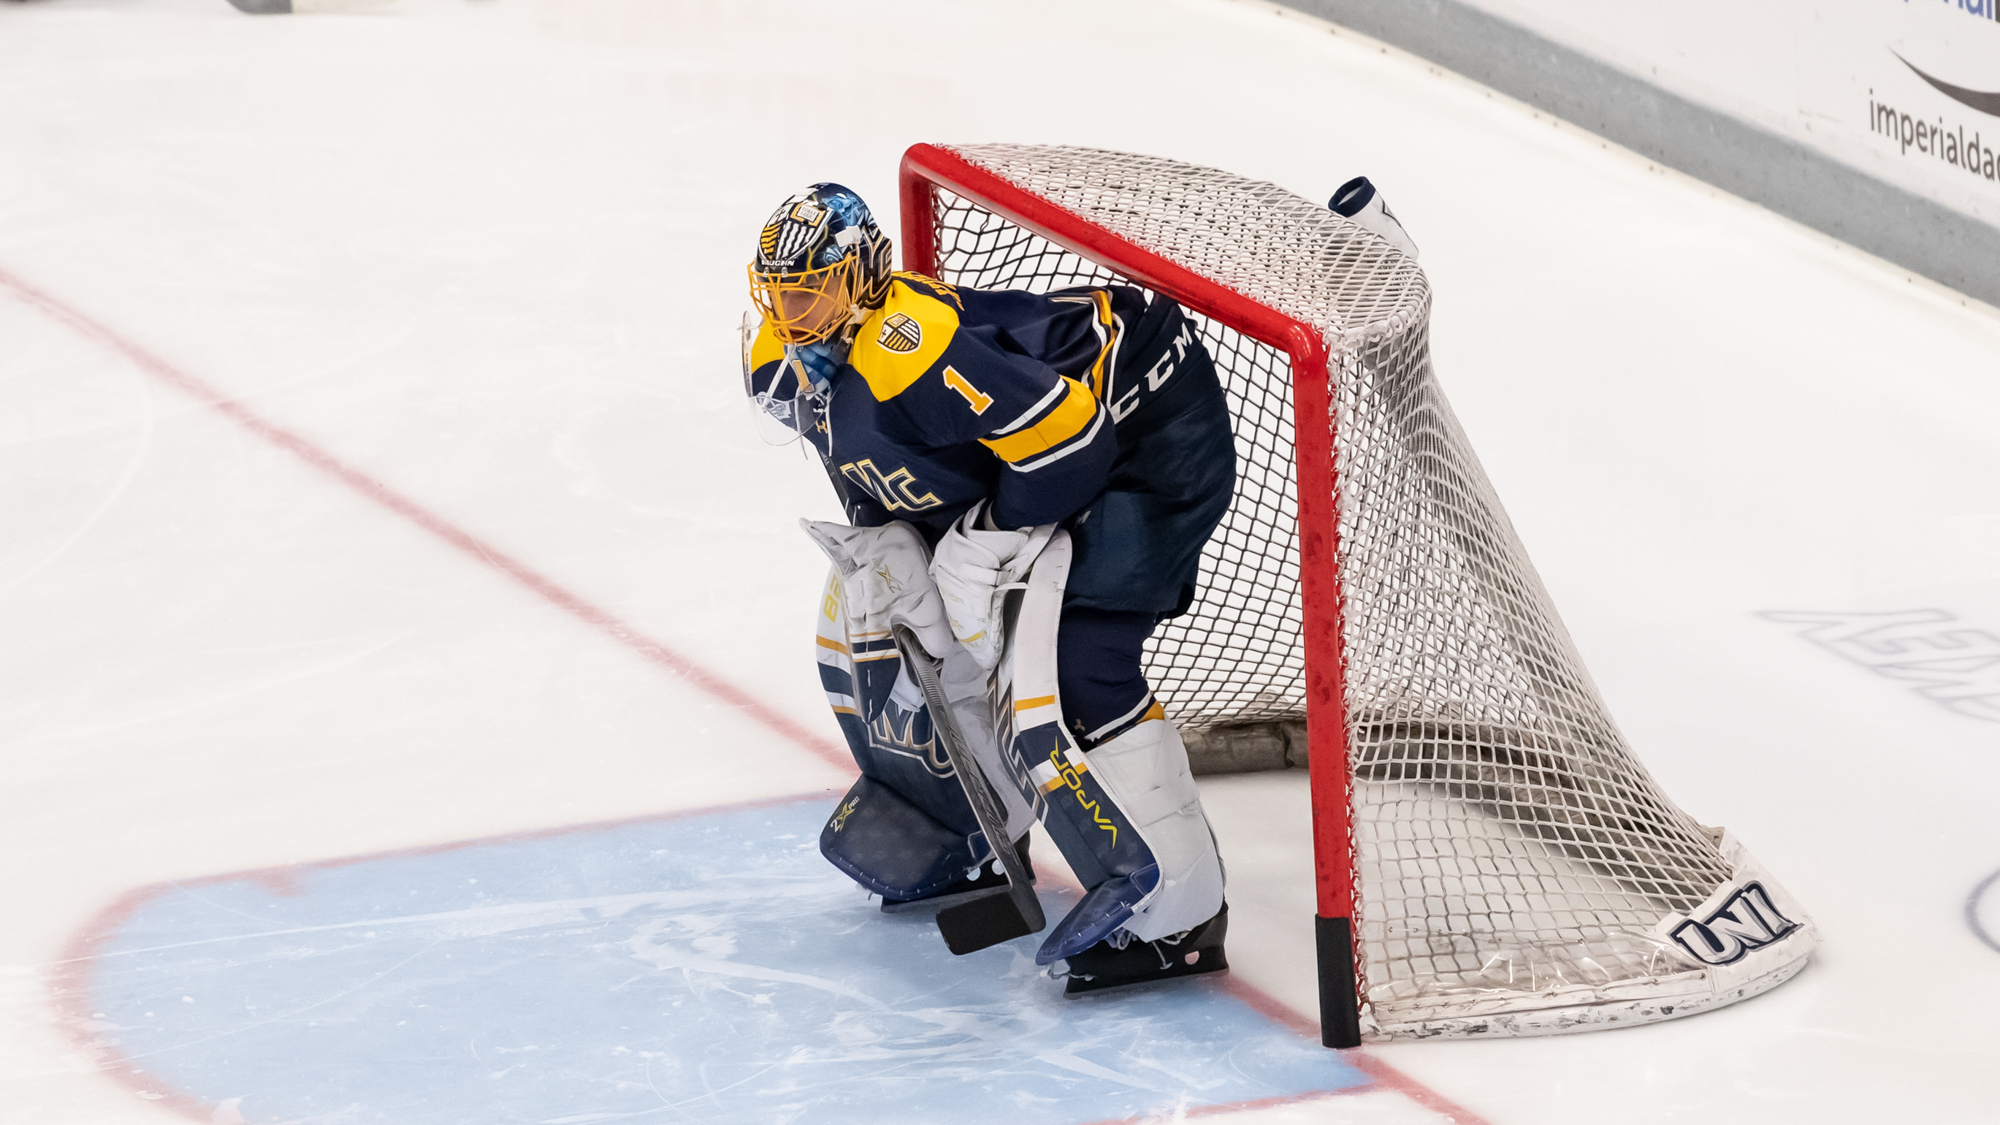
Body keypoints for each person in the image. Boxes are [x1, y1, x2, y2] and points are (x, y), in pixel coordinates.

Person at [741, 183, 1237, 993]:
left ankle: (1180, 916)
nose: (793, 311)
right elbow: (864, 464)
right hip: (1043, 448)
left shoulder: (914, 353)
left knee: (1072, 659)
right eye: (780, 291)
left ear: (861, 275)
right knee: (878, 629)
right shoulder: (784, 356)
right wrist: (898, 541)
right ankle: (969, 825)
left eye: (813, 288)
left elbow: (1073, 442)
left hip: (1148, 427)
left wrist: (988, 538)